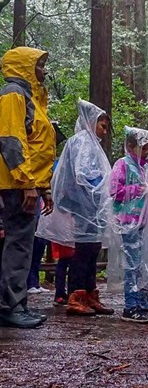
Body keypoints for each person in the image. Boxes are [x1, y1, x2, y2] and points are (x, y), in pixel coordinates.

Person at [36, 99, 114, 316]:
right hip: (84, 206)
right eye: (102, 126)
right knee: (83, 252)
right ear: (91, 122)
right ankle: (76, 297)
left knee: (93, 249)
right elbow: (82, 174)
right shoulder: (81, 142)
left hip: (93, 206)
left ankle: (90, 295)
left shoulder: (91, 143)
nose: (105, 131)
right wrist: (99, 186)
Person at [0, 46, 56, 329]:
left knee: (20, 243)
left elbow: (37, 144)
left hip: (27, 183)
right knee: (18, 244)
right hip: (16, 184)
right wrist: (28, 184)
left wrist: (44, 186)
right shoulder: (13, 93)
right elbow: (11, 140)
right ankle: (11, 306)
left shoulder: (32, 96)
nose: (44, 71)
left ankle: (15, 303)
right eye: (39, 65)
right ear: (24, 66)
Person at [102, 127, 148, 324]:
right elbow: (114, 191)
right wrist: (140, 189)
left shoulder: (145, 169)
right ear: (130, 146)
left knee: (143, 263)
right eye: (142, 148)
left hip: (142, 222)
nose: (146, 153)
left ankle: (140, 299)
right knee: (131, 265)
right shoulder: (123, 165)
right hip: (128, 222)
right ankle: (130, 305)